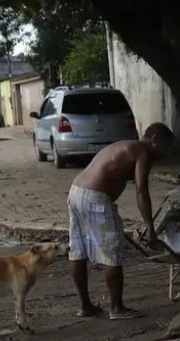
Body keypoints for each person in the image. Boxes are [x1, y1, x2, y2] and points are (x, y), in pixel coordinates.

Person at [68, 122, 173, 319]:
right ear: (155, 140)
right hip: (96, 198)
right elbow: (141, 191)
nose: (168, 153)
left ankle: (85, 306)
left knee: (78, 250)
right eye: (167, 147)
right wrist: (150, 227)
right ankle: (116, 308)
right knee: (112, 252)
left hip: (76, 192)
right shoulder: (142, 152)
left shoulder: (127, 146)